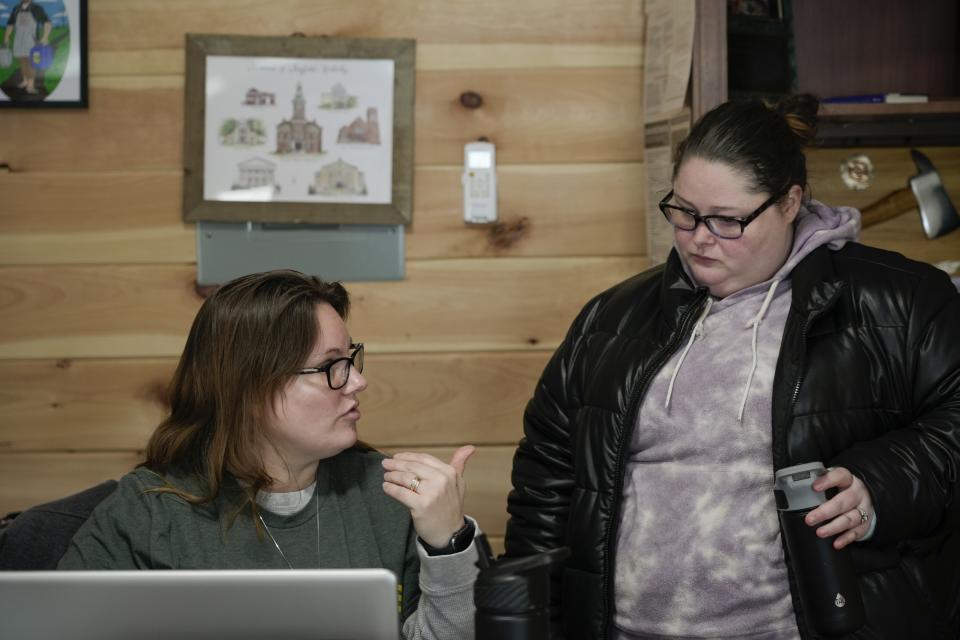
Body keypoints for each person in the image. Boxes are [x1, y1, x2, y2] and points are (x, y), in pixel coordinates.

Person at [503, 95, 960, 639]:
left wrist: (879, 485)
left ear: (790, 202)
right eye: (684, 211)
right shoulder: (610, 319)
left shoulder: (901, 301)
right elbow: (546, 485)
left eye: (726, 220)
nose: (698, 237)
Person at [59, 270, 481, 640]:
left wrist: (448, 545)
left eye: (351, 358)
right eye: (332, 365)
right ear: (249, 389)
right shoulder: (148, 509)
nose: (358, 381)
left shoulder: (390, 494)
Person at [3, 0, 51, 96]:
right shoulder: (16, 9)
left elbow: (47, 22)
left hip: (31, 40)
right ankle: (25, 80)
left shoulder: (36, 8)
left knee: (31, 62)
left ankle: (31, 85)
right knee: (22, 60)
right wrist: (6, 36)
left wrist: (45, 36)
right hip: (18, 39)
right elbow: (10, 24)